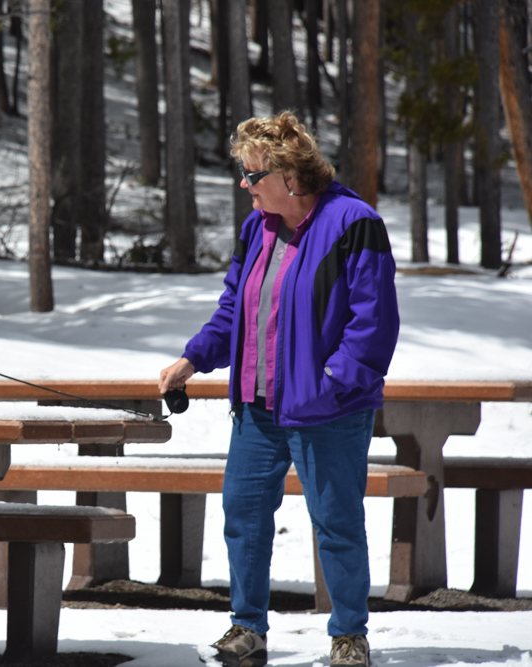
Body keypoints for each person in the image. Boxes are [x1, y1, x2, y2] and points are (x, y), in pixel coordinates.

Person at [158, 111, 399, 667]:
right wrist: (192, 359)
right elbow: (232, 312)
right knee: (242, 517)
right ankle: (247, 628)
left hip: (328, 411)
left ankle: (348, 635)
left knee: (336, 523)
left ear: (290, 175)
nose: (244, 184)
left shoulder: (354, 222)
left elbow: (373, 324)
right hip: (257, 409)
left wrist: (333, 384)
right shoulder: (255, 229)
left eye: (252, 174)